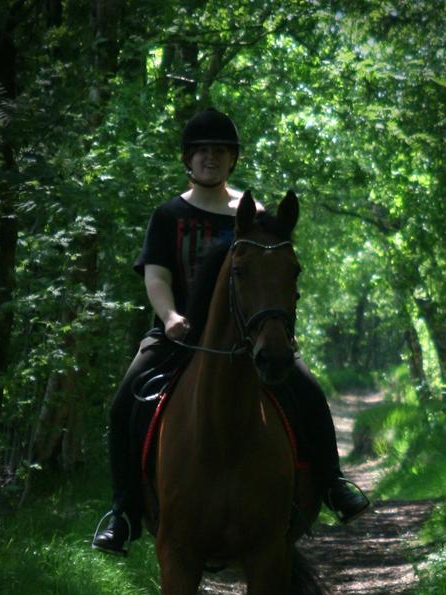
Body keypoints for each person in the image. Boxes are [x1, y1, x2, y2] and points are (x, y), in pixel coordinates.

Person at [92, 108, 370, 555]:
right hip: (177, 334)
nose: (211, 158)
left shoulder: (252, 212)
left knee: (310, 392)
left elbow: (274, 276)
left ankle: (333, 484)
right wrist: (170, 318)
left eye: (220, 151)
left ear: (232, 160)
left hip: (250, 339)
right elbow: (157, 278)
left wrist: (281, 328)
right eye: (202, 151)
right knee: (123, 403)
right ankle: (123, 511)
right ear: (188, 159)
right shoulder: (168, 216)